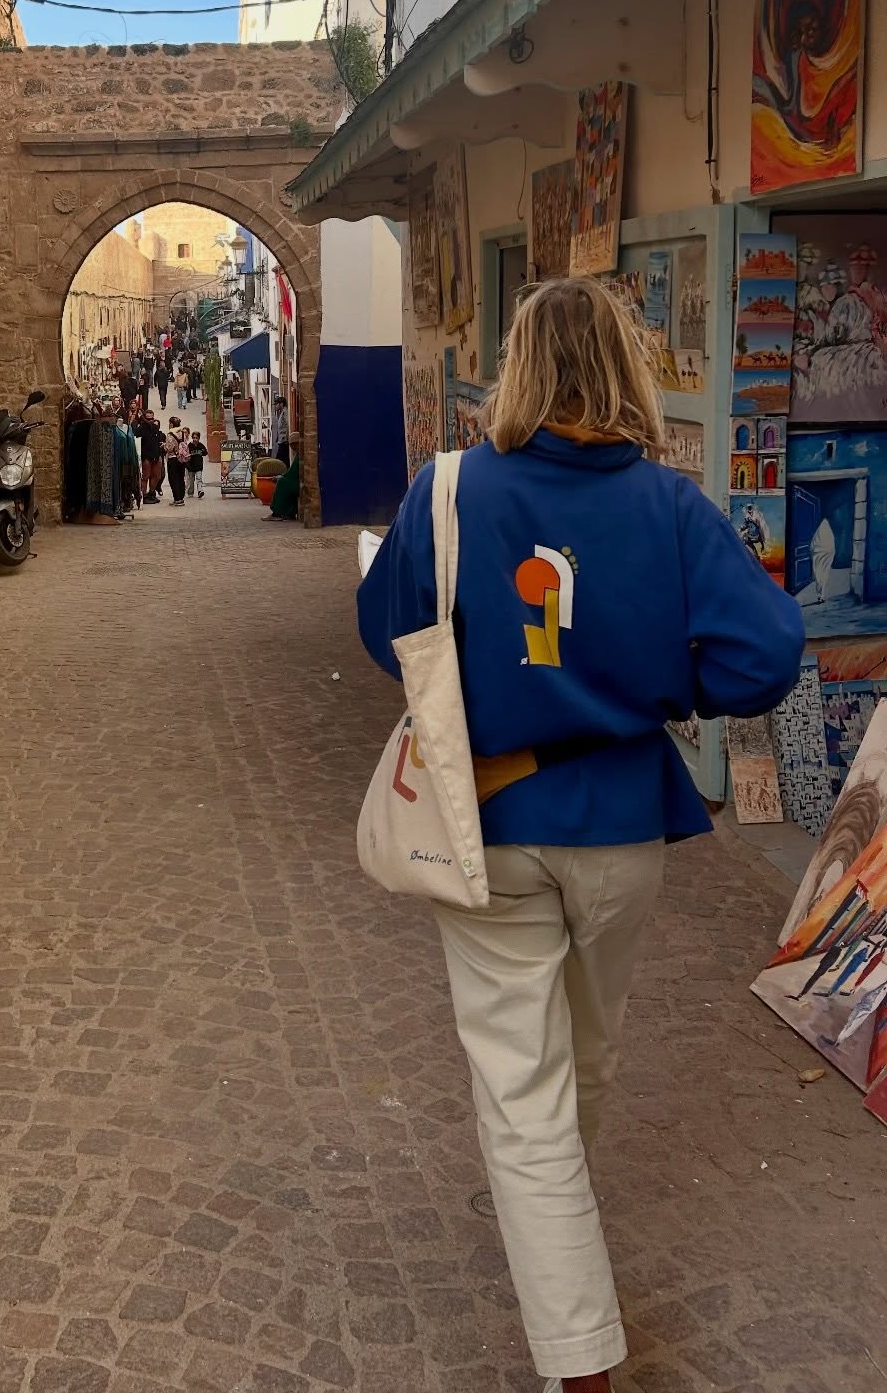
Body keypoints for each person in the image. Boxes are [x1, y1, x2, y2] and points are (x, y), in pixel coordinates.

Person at [357, 278, 804, 1393]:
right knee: (583, 1056)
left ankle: (579, 1359)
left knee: (524, 1087)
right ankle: (554, 1215)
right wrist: (654, 678)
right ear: (625, 370)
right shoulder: (672, 507)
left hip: (494, 820)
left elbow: (385, 634)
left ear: (517, 369)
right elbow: (766, 657)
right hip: (621, 828)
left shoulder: (450, 491)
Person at [137, 412, 164, 503]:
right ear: (144, 419)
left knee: (156, 476)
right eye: (148, 419)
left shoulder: (155, 428)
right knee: (145, 477)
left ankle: (151, 493)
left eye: (152, 418)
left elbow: (159, 437)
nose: (150, 420)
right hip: (146, 456)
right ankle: (143, 496)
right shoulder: (141, 429)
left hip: (156, 455)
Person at [164, 417, 188, 506]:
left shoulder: (170, 434)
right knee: (181, 478)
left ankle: (177, 498)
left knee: (173, 479)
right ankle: (181, 498)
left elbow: (169, 448)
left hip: (173, 458)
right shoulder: (182, 433)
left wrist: (164, 446)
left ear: (171, 424)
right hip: (181, 459)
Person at [186, 431, 207, 498]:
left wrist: (202, 452)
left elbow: (205, 453)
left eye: (196, 438)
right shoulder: (189, 446)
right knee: (191, 481)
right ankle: (190, 493)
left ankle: (200, 491)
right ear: (192, 438)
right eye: (194, 438)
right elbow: (186, 454)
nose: (195, 439)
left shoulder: (201, 445)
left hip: (198, 466)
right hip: (191, 466)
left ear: (199, 438)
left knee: (199, 479)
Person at [271, 395, 289, 463]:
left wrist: (286, 437)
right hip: (281, 441)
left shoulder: (285, 412)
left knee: (281, 461)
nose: (275, 406)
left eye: (276, 404)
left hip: (284, 441)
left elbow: (287, 425)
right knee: (280, 461)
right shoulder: (281, 413)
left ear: (281, 404)